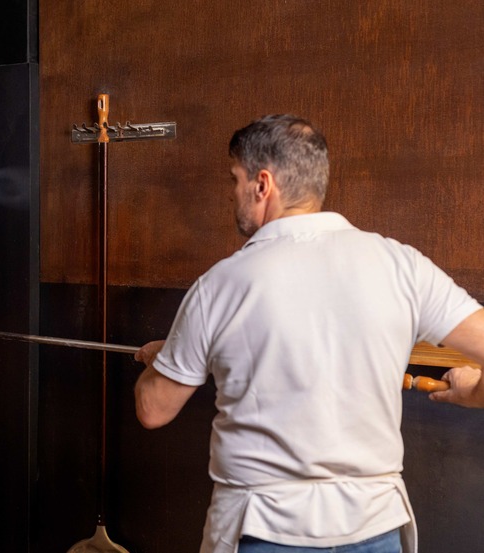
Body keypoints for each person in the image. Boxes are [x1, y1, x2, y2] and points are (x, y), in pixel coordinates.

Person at [133, 114, 484, 553]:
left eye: (235, 179)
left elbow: (153, 409)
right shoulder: (403, 265)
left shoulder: (221, 284)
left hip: (263, 529)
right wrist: (475, 393)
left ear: (262, 184)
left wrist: (167, 360)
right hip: (374, 526)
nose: (231, 193)